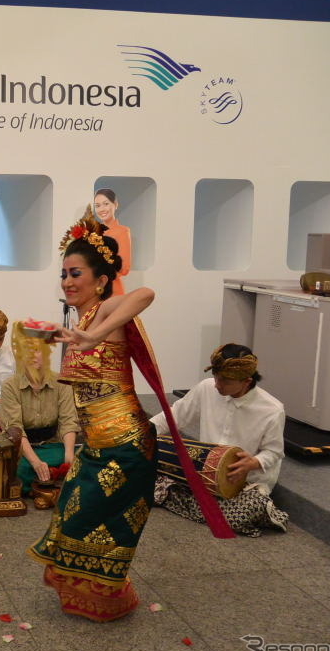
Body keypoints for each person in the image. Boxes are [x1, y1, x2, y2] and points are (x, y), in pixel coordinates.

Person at [27, 213, 158, 622]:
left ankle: (107, 599)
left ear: (100, 280)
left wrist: (98, 333)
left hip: (125, 444)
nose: (66, 281)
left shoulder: (104, 312)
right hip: (97, 445)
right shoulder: (80, 320)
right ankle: (96, 598)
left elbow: (146, 294)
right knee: (71, 518)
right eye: (63, 273)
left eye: (75, 273)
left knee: (100, 524)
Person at [150, 344, 288, 536]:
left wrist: (253, 462)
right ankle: (200, 503)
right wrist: (142, 433)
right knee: (143, 466)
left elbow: (273, 452)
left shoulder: (272, 410)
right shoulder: (207, 388)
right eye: (216, 377)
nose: (217, 384)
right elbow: (174, 416)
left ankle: (187, 499)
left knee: (246, 510)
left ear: (246, 381)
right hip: (203, 471)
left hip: (244, 484)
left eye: (224, 381)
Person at [0, 328, 78, 502]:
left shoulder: (62, 383)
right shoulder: (10, 386)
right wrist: (35, 461)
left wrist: (69, 455)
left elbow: (68, 420)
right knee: (21, 469)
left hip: (53, 445)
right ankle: (52, 486)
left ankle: (44, 486)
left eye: (37, 351)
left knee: (83, 459)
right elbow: (15, 428)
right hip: (23, 449)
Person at [92, 189, 131, 296]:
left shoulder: (122, 231)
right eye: (97, 205)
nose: (102, 209)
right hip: (91, 291)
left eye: (106, 204)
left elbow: (124, 268)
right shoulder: (92, 232)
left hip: (112, 291)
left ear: (115, 205)